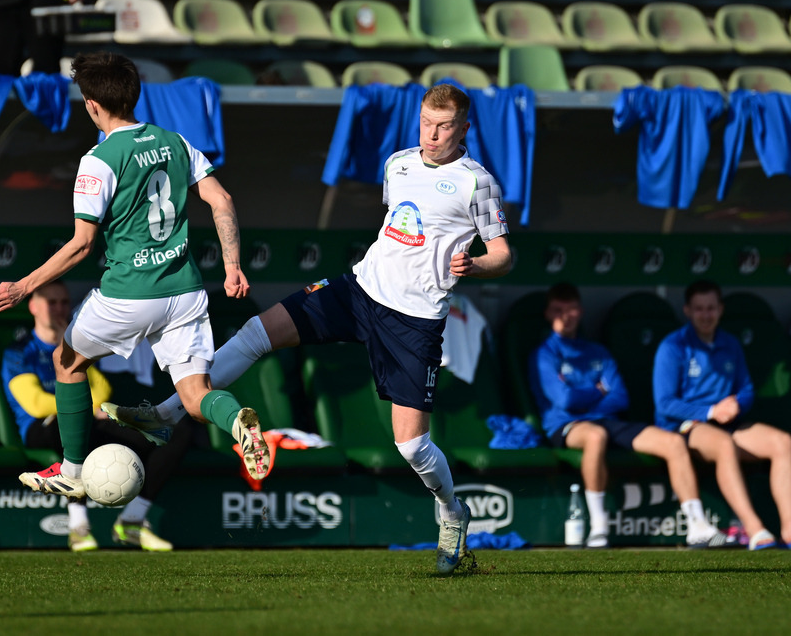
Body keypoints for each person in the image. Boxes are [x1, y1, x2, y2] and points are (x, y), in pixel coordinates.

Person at [104, 83, 512, 574]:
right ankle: (168, 414)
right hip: (359, 290)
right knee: (259, 330)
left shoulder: (476, 181)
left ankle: (451, 512)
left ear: (464, 128)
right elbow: (397, 227)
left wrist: (478, 266)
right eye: (427, 122)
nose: (433, 134)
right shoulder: (398, 164)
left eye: (445, 126)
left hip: (415, 320)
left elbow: (504, 254)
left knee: (410, 446)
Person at [0, 51, 270, 507]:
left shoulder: (98, 160)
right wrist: (232, 265)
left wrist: (22, 287)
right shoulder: (175, 141)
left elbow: (80, 245)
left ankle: (72, 470)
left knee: (66, 362)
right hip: (186, 291)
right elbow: (222, 199)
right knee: (195, 397)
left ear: (92, 104)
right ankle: (238, 423)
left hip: (129, 294)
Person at [529, 283, 732, 549]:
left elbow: (620, 397)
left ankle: (697, 526)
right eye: (559, 310)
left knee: (673, 442)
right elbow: (563, 399)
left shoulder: (598, 351)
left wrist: (590, 398)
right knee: (595, 435)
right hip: (566, 424)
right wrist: (598, 390)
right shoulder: (544, 353)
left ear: (580, 312)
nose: (566, 316)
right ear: (548, 314)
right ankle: (599, 527)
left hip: (610, 420)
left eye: (572, 310)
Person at [2, 280, 192, 552]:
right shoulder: (20, 352)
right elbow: (34, 403)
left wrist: (66, 348)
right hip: (41, 428)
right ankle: (78, 528)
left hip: (91, 420)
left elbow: (102, 391)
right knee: (68, 423)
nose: (59, 309)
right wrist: (83, 409)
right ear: (33, 306)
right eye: (51, 302)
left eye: (64, 302)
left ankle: (132, 520)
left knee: (173, 431)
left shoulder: (79, 346)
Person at [654, 280, 791, 550]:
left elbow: (747, 389)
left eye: (711, 308)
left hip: (729, 422)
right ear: (688, 311)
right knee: (723, 444)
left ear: (721, 309)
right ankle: (755, 530)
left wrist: (736, 405)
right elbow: (665, 403)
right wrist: (710, 411)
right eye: (700, 309)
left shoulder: (730, 343)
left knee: (783, 443)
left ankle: (788, 529)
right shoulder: (673, 346)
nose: (706, 315)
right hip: (686, 426)